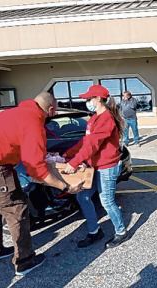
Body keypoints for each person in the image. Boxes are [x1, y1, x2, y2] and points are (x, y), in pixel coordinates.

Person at [0, 92, 82, 276]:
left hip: (4, 163)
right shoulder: (33, 123)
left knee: (0, 208)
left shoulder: (16, 112)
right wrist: (66, 187)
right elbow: (36, 169)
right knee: (16, 210)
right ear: (51, 109)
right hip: (0, 169)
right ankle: (24, 261)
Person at [63, 85, 128, 249]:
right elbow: (85, 141)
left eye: (88, 98)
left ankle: (121, 231)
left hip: (107, 167)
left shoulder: (106, 119)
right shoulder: (93, 119)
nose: (86, 101)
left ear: (98, 99)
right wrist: (68, 154)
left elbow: (93, 144)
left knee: (106, 201)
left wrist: (74, 162)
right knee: (82, 197)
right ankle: (94, 231)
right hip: (93, 167)